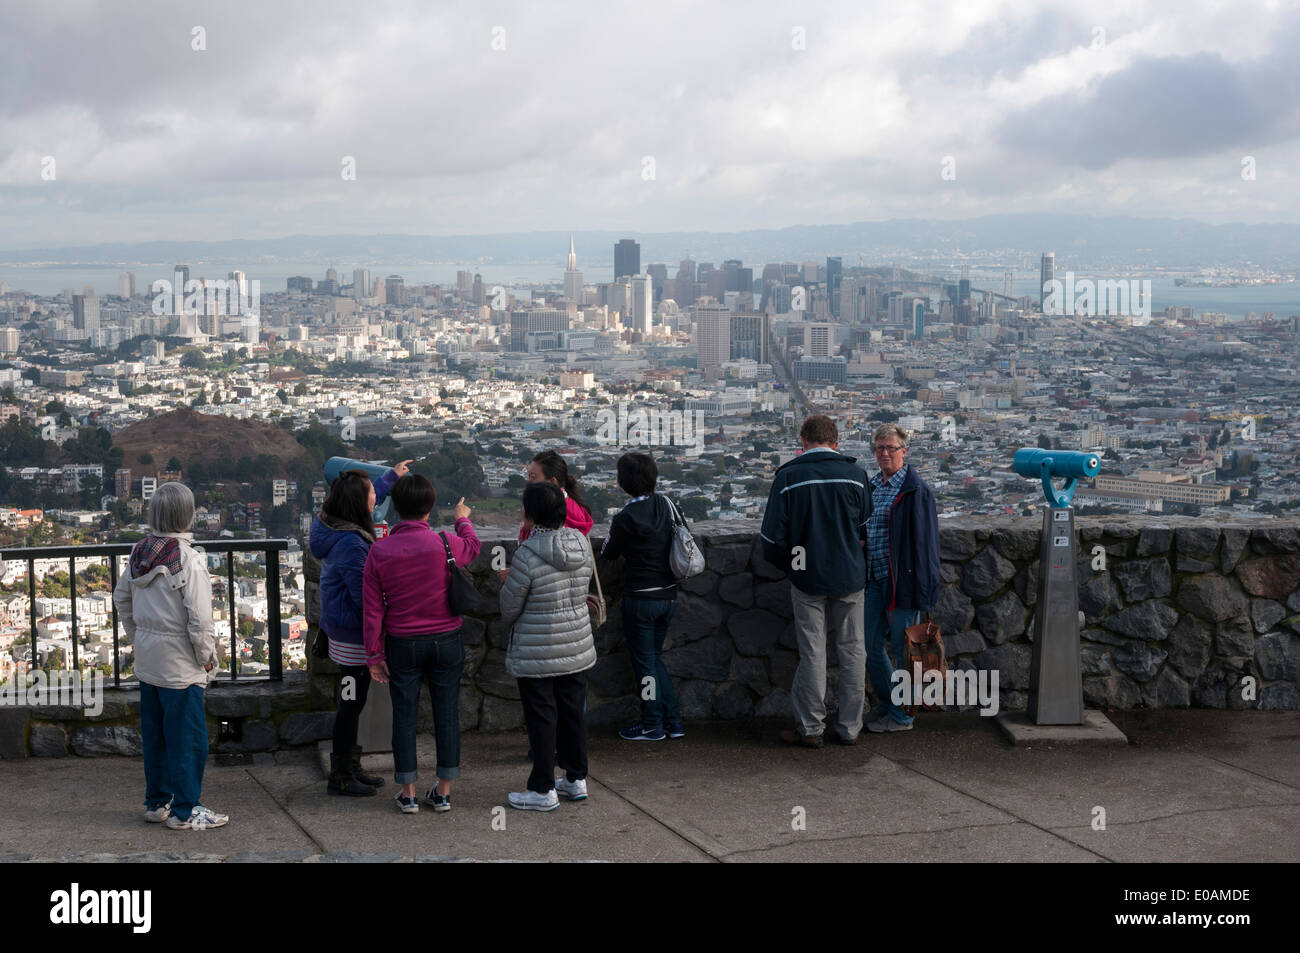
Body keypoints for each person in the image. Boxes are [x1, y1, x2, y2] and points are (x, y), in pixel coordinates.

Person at [113, 481, 228, 830]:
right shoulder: (187, 559)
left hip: (149, 661)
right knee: (188, 741)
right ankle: (186, 810)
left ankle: (157, 802)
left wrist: (139, 638)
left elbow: (121, 599)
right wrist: (206, 658)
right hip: (180, 665)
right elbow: (200, 618)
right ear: (187, 514)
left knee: (157, 736)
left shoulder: (139, 553)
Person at [363, 474, 479, 814]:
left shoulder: (380, 550)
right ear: (429, 508)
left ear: (397, 507)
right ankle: (443, 791)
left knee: (405, 714)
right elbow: (472, 548)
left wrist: (374, 654)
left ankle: (408, 792)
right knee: (446, 712)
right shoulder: (444, 543)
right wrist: (462, 520)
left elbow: (372, 609)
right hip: (447, 639)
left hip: (403, 642)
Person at [760, 415, 870, 748]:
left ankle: (810, 728)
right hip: (850, 575)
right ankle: (850, 727)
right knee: (853, 651)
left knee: (812, 653)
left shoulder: (789, 478)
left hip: (807, 576)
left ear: (803, 442)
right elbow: (865, 530)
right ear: (836, 443)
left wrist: (793, 565)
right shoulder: (856, 476)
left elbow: (771, 540)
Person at [309, 459, 409, 796]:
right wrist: (379, 635)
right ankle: (341, 774)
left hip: (342, 632)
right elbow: (364, 596)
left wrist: (390, 477)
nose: (375, 500)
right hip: (353, 638)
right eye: (371, 495)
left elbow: (366, 495)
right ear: (357, 502)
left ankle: (351, 766)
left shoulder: (334, 526)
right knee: (350, 705)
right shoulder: (352, 544)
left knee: (352, 702)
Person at [500, 482, 597, 811]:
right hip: (576, 644)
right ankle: (575, 778)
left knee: (542, 718)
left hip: (538, 649)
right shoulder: (582, 544)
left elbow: (509, 608)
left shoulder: (528, 554)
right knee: (573, 713)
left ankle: (542, 789)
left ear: (529, 514)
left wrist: (507, 581)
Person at [862, 424, 941, 733]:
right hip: (875, 577)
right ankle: (889, 703)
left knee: (903, 649)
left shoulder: (915, 490)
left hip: (903, 584)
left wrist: (924, 589)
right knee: (869, 645)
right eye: (879, 448)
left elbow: (926, 544)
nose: (884, 453)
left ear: (904, 451)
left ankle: (902, 716)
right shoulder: (872, 486)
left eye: (890, 448)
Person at [600, 452, 683, 742]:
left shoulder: (626, 517)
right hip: (668, 595)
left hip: (640, 597)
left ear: (624, 483)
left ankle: (651, 724)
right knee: (655, 660)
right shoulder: (668, 505)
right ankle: (673, 721)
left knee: (646, 664)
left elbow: (608, 553)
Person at [518, 450, 593, 541]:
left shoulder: (562, 512)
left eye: (533, 477)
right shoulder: (555, 506)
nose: (529, 482)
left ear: (553, 482)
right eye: (528, 476)